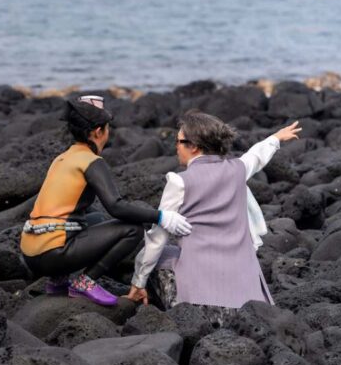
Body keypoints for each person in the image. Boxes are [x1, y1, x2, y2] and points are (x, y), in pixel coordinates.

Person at [20, 96, 192, 307]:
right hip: (52, 254)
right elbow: (116, 206)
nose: (108, 135)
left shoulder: (62, 158)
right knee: (132, 229)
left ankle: (58, 281)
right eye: (107, 129)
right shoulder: (92, 162)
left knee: (95, 219)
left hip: (30, 252)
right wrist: (162, 217)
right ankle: (86, 281)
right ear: (98, 132)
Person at [127, 112, 302, 311]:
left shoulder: (179, 181)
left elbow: (158, 238)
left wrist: (138, 282)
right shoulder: (238, 169)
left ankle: (173, 304)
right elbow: (255, 156)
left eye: (178, 141)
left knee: (157, 252)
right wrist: (276, 138)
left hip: (199, 297)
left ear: (193, 146)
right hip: (248, 298)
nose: (175, 146)